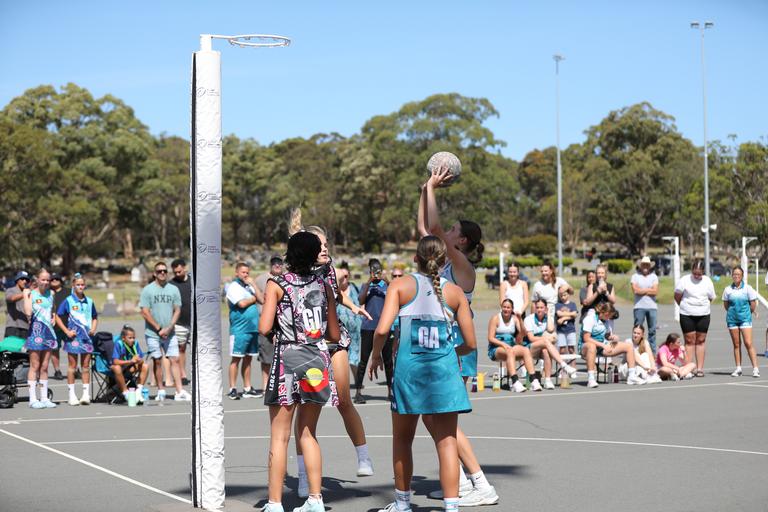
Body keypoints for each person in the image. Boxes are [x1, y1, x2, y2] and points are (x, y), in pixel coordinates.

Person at [369, 236, 476, 512]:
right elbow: (470, 343)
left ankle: (402, 504)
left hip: (410, 373)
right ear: (444, 261)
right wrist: (453, 353)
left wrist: (376, 355)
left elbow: (382, 330)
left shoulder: (400, 285)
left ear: (415, 258)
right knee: (447, 442)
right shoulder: (455, 293)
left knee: (403, 439)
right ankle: (452, 507)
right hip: (444, 374)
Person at [418, 165, 498, 508]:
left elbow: (433, 228)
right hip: (442, 348)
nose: (447, 232)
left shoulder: (462, 265)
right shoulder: (445, 264)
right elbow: (425, 230)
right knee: (429, 415)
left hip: (457, 349)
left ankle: (481, 484)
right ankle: (460, 481)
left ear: (462, 241)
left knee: (445, 421)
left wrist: (433, 188)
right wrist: (425, 189)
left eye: (453, 230)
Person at [258, 231, 341, 512]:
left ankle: (274, 503)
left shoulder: (277, 284)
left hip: (289, 357)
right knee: (308, 433)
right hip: (317, 356)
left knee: (279, 435)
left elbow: (264, 326)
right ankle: (316, 499)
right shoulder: (324, 285)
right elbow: (334, 333)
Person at [292, 218, 374, 498]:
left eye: (327, 244)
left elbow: (337, 295)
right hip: (308, 347)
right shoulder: (295, 276)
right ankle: (303, 476)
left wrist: (354, 306)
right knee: (306, 415)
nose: (326, 249)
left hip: (333, 341)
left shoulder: (329, 270)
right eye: (320, 245)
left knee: (344, 400)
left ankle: (363, 457)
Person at [139, 261, 190, 401]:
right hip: (153, 333)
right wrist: (158, 328)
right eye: (159, 271)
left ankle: (179, 391)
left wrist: (169, 327)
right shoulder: (148, 290)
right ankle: (161, 390)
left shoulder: (173, 289)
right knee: (157, 361)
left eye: (164, 271)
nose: (162, 273)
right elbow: (144, 312)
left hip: (170, 332)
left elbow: (177, 309)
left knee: (175, 359)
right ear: (154, 274)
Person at [55, 273, 98, 405]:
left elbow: (95, 317)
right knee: (72, 366)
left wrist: (93, 328)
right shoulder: (68, 301)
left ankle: (85, 395)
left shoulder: (90, 301)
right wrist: (66, 331)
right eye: (78, 284)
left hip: (86, 338)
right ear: (73, 285)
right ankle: (72, 395)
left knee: (85, 366)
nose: (80, 287)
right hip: (73, 338)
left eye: (82, 284)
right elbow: (58, 316)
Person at [580, 302, 645, 388]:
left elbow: (606, 336)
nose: (610, 318)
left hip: (601, 346)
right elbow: (586, 338)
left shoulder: (605, 320)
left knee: (628, 346)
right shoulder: (590, 318)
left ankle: (631, 377)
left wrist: (612, 337)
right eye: (610, 316)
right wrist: (603, 345)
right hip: (586, 347)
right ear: (606, 313)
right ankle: (591, 379)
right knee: (592, 346)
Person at [356, 259, 393, 403]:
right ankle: (358, 392)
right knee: (363, 361)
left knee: (388, 361)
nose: (376, 273)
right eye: (373, 270)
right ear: (370, 271)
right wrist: (368, 282)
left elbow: (395, 296)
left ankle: (390, 392)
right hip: (368, 327)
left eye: (378, 270)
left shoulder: (387, 285)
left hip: (384, 327)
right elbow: (360, 301)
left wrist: (387, 280)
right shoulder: (366, 285)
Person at [226, 262, 264, 399]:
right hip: (239, 330)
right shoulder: (233, 287)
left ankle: (247, 388)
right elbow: (241, 304)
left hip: (252, 328)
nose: (246, 275)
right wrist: (253, 299)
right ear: (237, 273)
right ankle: (232, 388)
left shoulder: (249, 286)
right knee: (236, 359)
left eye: (247, 272)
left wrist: (253, 284)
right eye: (243, 272)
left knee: (248, 359)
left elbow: (262, 300)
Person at [523, 299, 579, 389]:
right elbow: (531, 338)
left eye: (541, 308)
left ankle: (547, 380)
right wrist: (545, 339)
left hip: (542, 347)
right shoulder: (528, 319)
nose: (539, 310)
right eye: (537, 307)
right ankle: (564, 365)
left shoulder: (548, 318)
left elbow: (550, 329)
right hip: (529, 348)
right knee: (546, 342)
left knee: (545, 351)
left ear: (545, 309)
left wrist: (548, 314)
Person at [487, 299, 540, 392]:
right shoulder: (495, 318)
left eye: (508, 307)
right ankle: (515, 382)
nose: (506, 309)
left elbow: (524, 333)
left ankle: (533, 380)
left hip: (510, 346)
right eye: (504, 307)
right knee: (510, 351)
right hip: (496, 347)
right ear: (501, 308)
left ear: (512, 309)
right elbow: (490, 338)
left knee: (525, 350)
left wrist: (520, 319)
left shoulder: (514, 319)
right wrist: (503, 344)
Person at [22, 269, 57, 409]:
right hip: (36, 333)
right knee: (34, 366)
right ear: (37, 280)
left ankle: (44, 398)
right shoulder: (30, 293)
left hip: (49, 333)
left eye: (48, 280)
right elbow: (28, 312)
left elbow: (52, 309)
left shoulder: (51, 294)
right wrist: (26, 296)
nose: (46, 282)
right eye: (43, 279)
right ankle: (32, 399)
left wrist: (54, 316)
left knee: (44, 366)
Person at [674, 259, 715, 377]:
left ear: (703, 272)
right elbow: (677, 295)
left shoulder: (707, 281)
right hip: (687, 314)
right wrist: (685, 306)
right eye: (695, 273)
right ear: (691, 270)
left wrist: (701, 306)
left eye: (699, 274)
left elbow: (711, 297)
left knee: (701, 341)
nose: (697, 276)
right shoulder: (684, 280)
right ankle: (688, 368)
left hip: (703, 315)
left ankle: (700, 369)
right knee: (689, 341)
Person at [722, 266, 760, 378]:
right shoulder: (727, 289)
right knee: (736, 344)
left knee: (748, 343)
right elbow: (726, 305)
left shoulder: (748, 288)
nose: (736, 276)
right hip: (732, 320)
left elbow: (753, 304)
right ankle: (738, 368)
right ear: (732, 275)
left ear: (742, 276)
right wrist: (733, 313)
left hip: (745, 319)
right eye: (734, 274)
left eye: (738, 274)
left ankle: (755, 369)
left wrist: (748, 313)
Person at [255, 256, 284, 391]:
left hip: (282, 325)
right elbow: (258, 299)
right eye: (274, 263)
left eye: (279, 263)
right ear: (270, 265)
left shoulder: (286, 279)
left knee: (283, 357)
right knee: (266, 357)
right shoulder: (261, 279)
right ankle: (266, 385)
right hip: (266, 324)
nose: (277, 265)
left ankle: (280, 384)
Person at [335, 263, 363, 391]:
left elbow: (362, 302)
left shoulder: (355, 288)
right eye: (342, 277)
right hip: (339, 330)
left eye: (346, 276)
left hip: (355, 330)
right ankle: (342, 384)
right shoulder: (334, 291)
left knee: (354, 359)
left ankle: (358, 382)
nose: (344, 279)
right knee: (341, 358)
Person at [111, 326, 149, 402]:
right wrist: (130, 361)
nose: (132, 340)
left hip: (130, 368)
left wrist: (139, 360)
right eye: (130, 338)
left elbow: (141, 359)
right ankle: (126, 393)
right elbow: (115, 361)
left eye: (133, 338)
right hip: (120, 368)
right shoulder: (119, 344)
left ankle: (138, 391)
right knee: (116, 367)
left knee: (145, 366)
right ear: (123, 338)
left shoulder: (135, 344)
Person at [170, 258, 192, 385]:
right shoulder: (171, 285)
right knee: (181, 349)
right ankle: (182, 375)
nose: (177, 274)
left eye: (179, 271)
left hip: (195, 322)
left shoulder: (193, 282)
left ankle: (198, 373)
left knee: (198, 350)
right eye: (175, 272)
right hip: (179, 323)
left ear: (185, 268)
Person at [631, 257, 659, 353]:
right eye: (644, 265)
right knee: (637, 329)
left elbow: (655, 292)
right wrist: (649, 290)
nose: (645, 267)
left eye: (647, 265)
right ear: (640, 266)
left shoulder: (654, 277)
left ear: (650, 266)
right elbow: (635, 291)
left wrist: (642, 290)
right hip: (639, 306)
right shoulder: (635, 276)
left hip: (652, 307)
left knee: (652, 330)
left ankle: (652, 351)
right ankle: (636, 349)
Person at [530, 261, 569, 329]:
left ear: (551, 271)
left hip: (559, 314)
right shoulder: (537, 285)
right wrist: (532, 320)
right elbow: (534, 303)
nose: (543, 273)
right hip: (544, 316)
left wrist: (567, 287)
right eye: (542, 271)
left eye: (546, 271)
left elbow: (571, 292)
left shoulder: (559, 281)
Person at [49, 273, 68, 380]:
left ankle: (74, 369)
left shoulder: (69, 292)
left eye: (57, 279)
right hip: (53, 327)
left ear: (61, 281)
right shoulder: (47, 292)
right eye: (52, 279)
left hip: (68, 326)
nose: (54, 280)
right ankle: (57, 371)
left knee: (73, 348)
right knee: (55, 349)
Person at [4, 271, 30, 339]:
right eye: (22, 279)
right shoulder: (11, 290)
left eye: (26, 280)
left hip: (26, 327)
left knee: (24, 346)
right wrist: (24, 294)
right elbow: (11, 298)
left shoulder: (28, 293)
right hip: (13, 326)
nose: (25, 281)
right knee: (11, 346)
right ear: (17, 280)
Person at [555, 285, 578, 357]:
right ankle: (561, 364)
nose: (563, 297)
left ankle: (573, 363)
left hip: (571, 330)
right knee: (562, 350)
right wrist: (570, 315)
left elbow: (575, 314)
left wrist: (563, 318)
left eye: (564, 295)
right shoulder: (558, 305)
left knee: (571, 349)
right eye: (561, 296)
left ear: (568, 294)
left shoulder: (572, 304)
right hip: (561, 330)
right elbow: (559, 313)